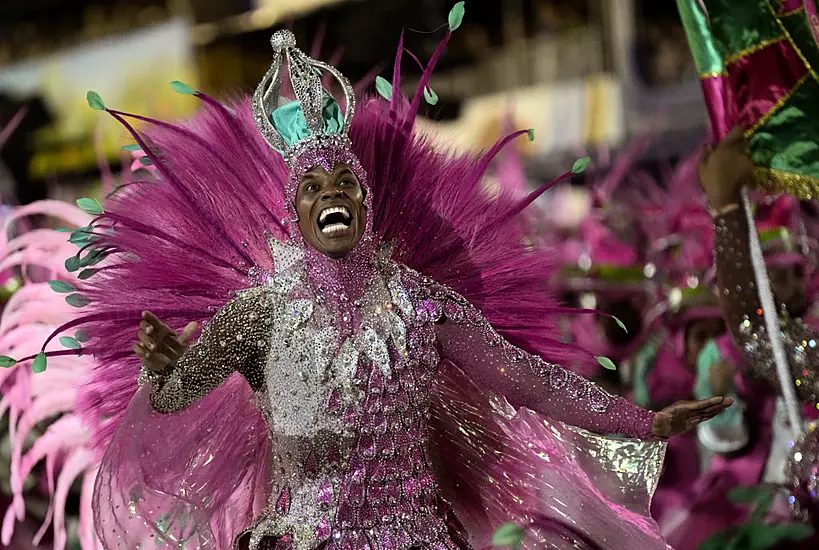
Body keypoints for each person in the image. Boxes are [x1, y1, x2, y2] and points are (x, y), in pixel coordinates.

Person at [7, 16, 731, 550]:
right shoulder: (259, 313)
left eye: (345, 183)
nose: (333, 195)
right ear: (295, 213)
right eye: (315, 186)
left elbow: (531, 382)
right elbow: (176, 396)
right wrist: (162, 370)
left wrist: (642, 421)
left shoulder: (423, 306)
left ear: (366, 199)